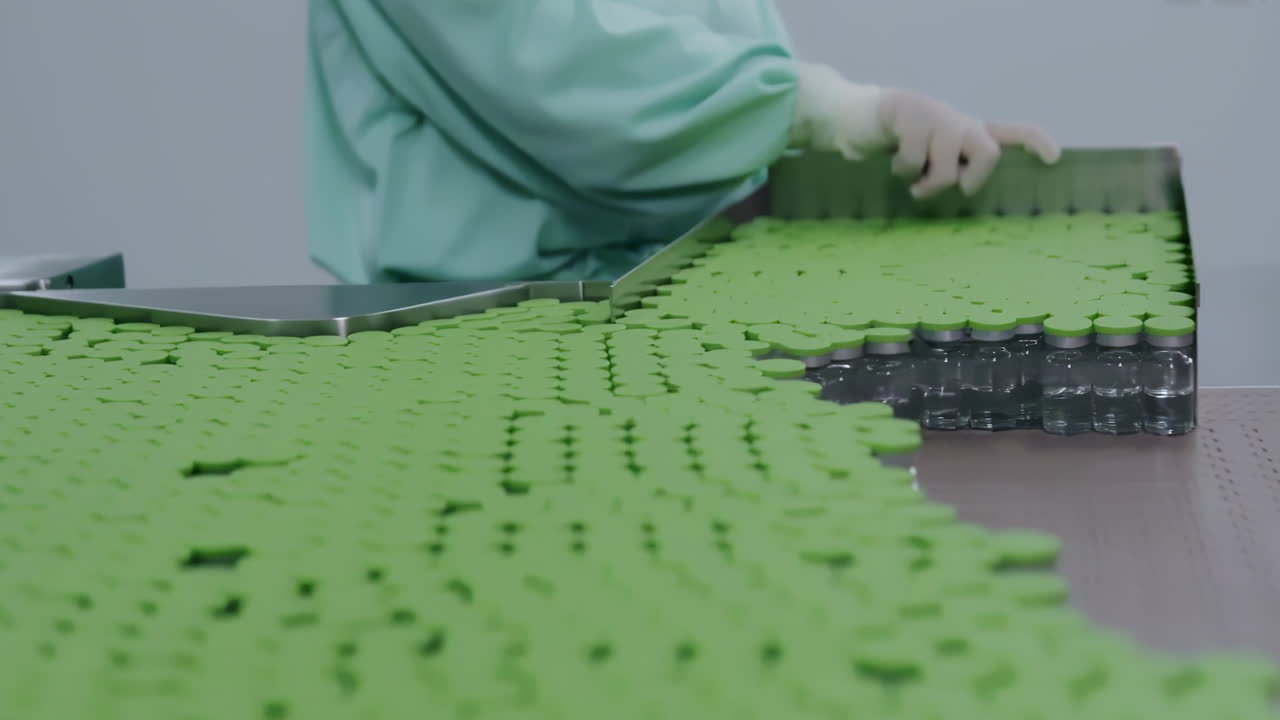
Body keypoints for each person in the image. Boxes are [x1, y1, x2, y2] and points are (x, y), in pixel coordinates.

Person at [307, 1, 1059, 285]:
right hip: (470, 334)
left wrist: (898, 144)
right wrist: (842, 110)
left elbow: (712, 60)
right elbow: (560, 74)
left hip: (689, 304)